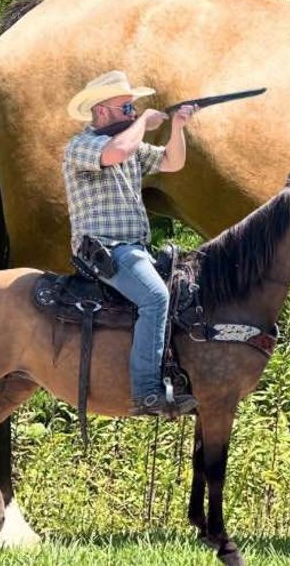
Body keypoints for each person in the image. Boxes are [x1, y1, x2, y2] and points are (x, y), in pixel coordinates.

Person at [62, 70, 197, 416]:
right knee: (155, 297)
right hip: (103, 248)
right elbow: (117, 152)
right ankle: (146, 392)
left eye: (133, 109)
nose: (132, 114)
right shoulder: (82, 146)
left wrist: (178, 127)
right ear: (101, 111)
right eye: (125, 108)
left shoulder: (130, 145)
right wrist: (146, 124)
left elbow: (173, 161)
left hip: (132, 248)